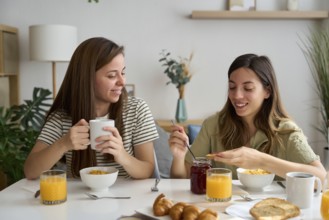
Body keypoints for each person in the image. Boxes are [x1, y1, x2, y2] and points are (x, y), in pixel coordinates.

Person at [169, 53, 326, 181]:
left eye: (248, 88)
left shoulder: (286, 131)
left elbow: (321, 177)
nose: (237, 95)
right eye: (232, 87)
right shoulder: (213, 125)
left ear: (267, 91)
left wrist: (261, 160)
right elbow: (182, 178)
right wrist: (178, 157)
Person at [24, 37, 158, 180]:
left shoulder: (136, 109)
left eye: (123, 73)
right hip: (80, 199)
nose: (122, 81)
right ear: (87, 78)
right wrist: (63, 144)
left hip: (125, 198)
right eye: (112, 75)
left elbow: (147, 171)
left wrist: (122, 155)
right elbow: (30, 171)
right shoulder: (62, 117)